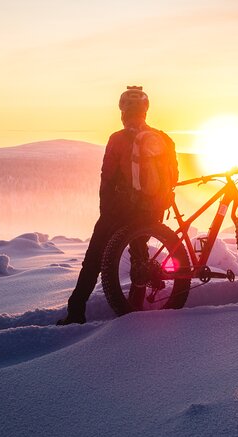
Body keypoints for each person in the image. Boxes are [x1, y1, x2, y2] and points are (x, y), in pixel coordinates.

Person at [57, 86, 178, 325]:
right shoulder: (163, 138)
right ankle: (134, 308)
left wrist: (106, 215)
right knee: (139, 259)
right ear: (146, 111)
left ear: (123, 112)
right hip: (150, 211)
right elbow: (173, 177)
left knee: (93, 260)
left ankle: (76, 312)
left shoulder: (117, 139)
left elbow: (107, 177)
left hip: (119, 211)